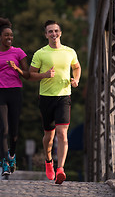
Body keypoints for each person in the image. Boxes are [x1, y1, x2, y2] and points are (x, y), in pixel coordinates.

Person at [29, 20, 81, 184]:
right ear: (46, 35)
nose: (53, 34)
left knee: (62, 134)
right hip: (46, 97)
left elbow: (77, 67)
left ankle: (60, 169)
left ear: (60, 33)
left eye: (56, 31)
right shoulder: (40, 53)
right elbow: (31, 74)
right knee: (49, 137)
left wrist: (76, 79)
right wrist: (44, 75)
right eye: (50, 31)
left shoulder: (70, 52)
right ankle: (48, 161)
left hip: (64, 96)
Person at [0, 17, 30, 176]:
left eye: (11, 35)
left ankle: (12, 155)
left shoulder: (18, 52)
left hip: (15, 92)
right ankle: (4, 163)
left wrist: (16, 68)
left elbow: (28, 74)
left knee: (14, 133)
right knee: (4, 129)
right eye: (6, 35)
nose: (9, 38)